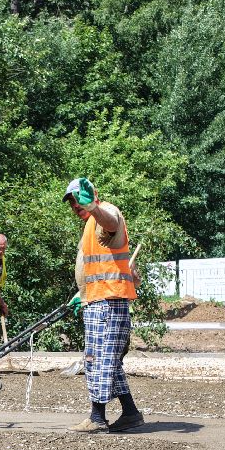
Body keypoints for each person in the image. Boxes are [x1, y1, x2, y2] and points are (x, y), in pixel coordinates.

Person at [64, 178, 143, 433]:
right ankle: (130, 413)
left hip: (108, 301)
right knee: (110, 363)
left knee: (98, 360)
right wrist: (82, 293)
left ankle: (97, 418)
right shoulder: (89, 224)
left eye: (79, 199)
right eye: (73, 202)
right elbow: (95, 266)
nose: (76, 205)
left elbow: (111, 224)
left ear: (92, 196)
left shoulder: (105, 214)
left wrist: (94, 207)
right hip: (97, 299)